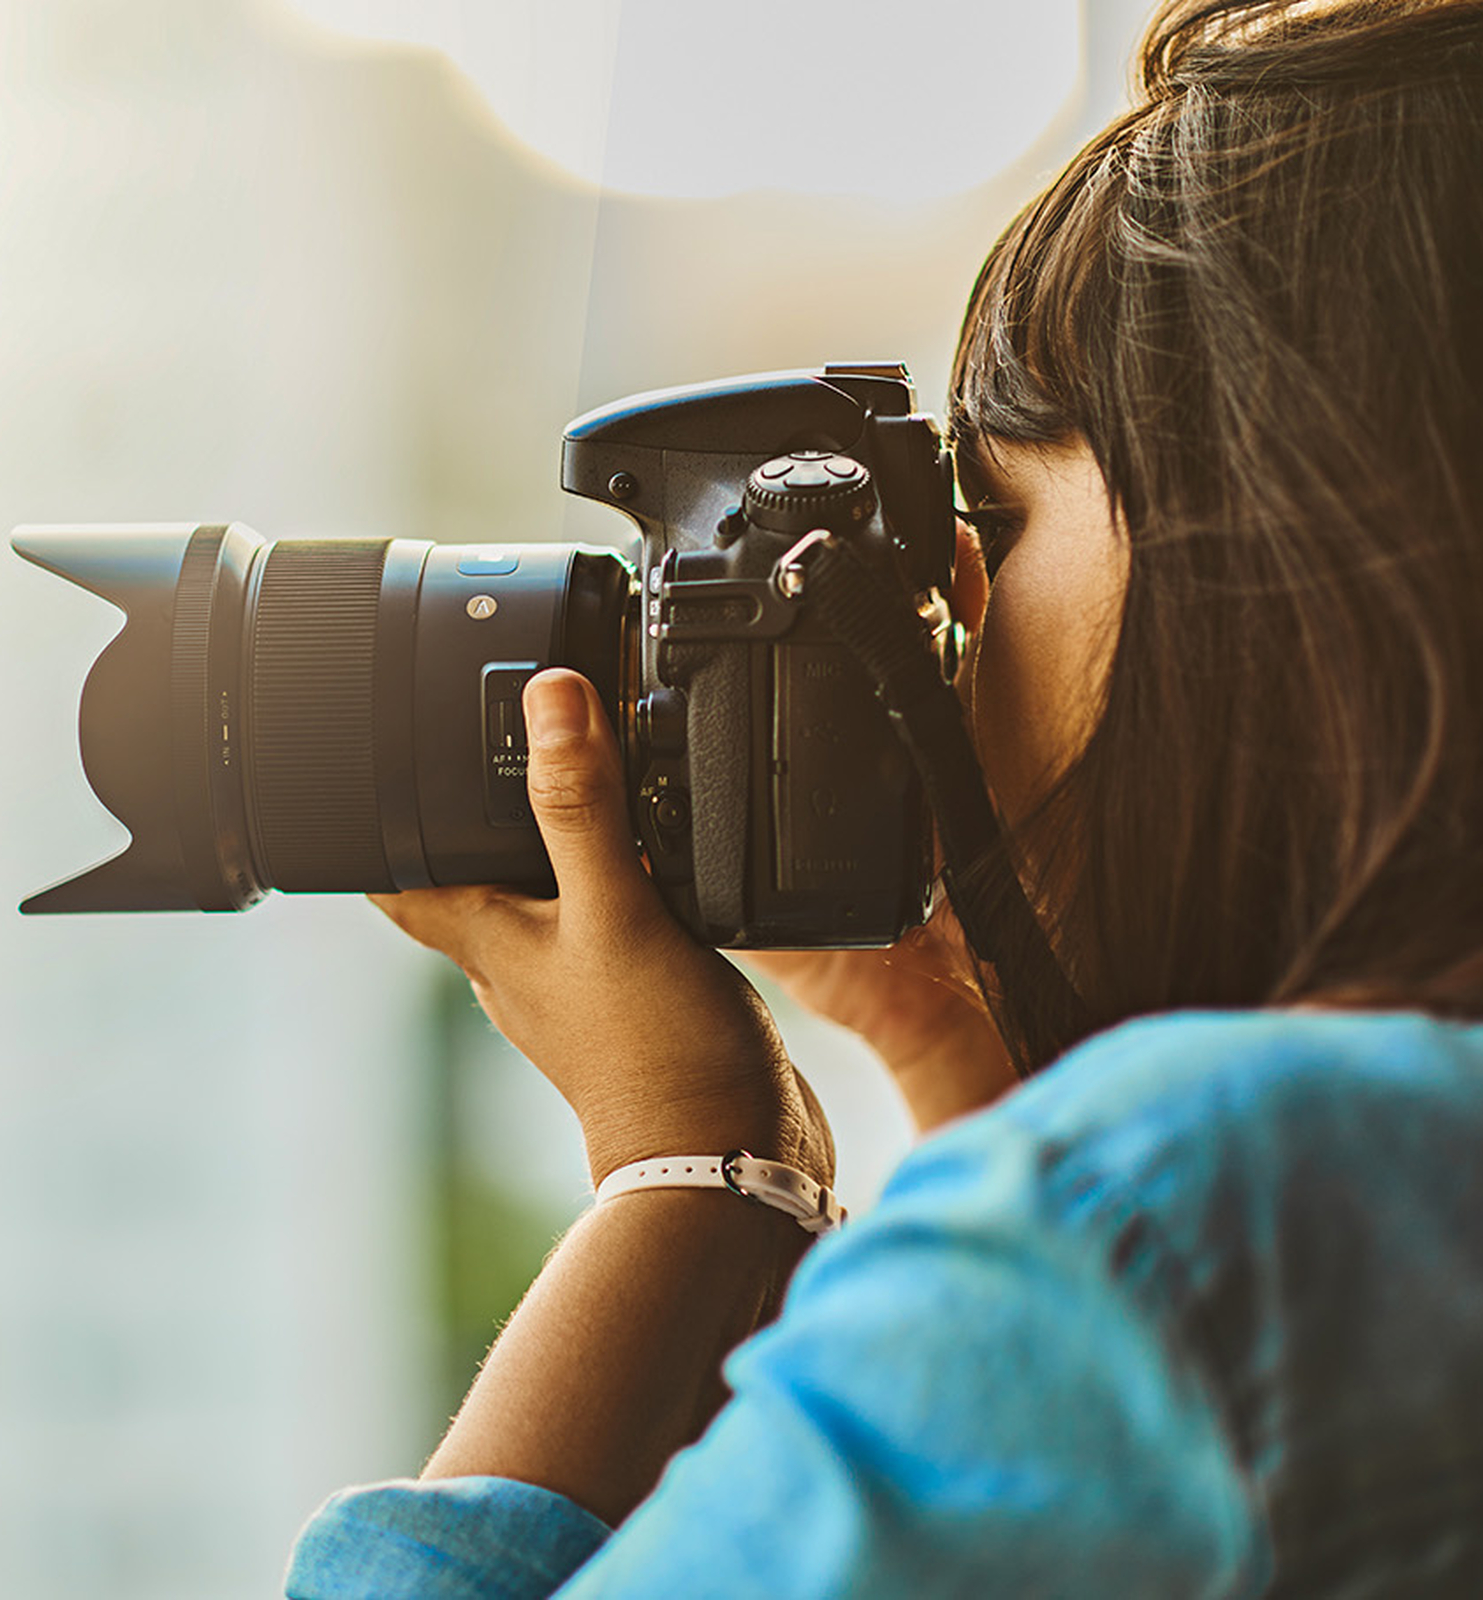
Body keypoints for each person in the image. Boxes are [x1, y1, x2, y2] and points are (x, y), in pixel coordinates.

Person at [286, 0, 1483, 1592]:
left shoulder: (1197, 1210)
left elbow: (1151, 1294)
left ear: (1273, 574)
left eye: (995, 512)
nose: (954, 621)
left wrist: (693, 1169)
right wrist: (958, 1044)